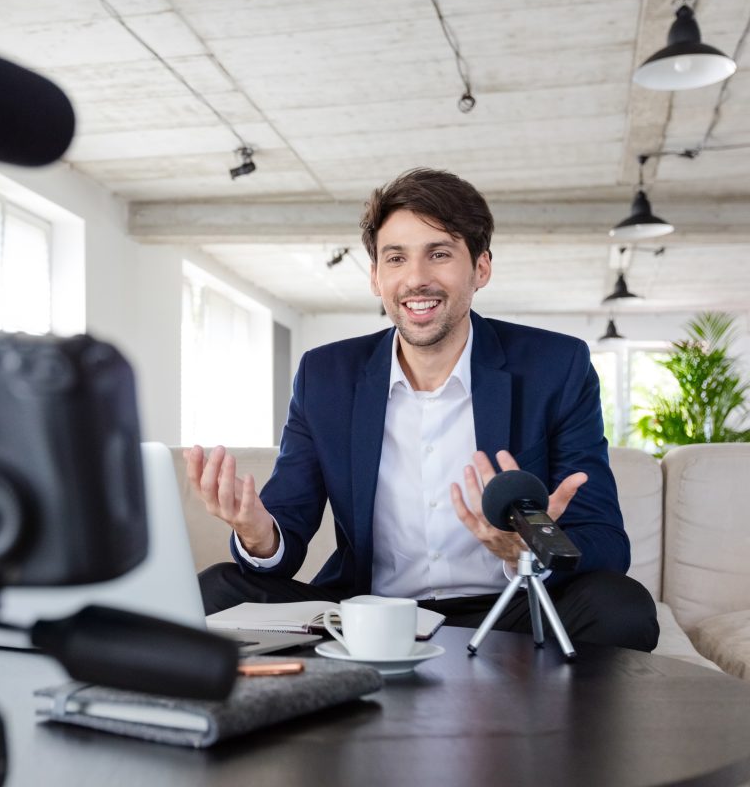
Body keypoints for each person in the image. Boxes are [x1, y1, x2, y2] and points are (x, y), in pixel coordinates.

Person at [188, 168, 659, 652]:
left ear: (481, 268)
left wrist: (529, 549)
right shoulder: (325, 376)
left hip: (509, 611)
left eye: (439, 254)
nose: (416, 279)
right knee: (216, 592)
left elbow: (605, 540)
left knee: (621, 606)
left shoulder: (556, 366)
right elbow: (287, 527)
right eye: (396, 258)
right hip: (372, 616)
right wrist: (258, 535)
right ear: (376, 276)